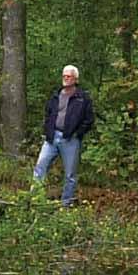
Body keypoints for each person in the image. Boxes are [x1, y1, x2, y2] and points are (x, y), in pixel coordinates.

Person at [34, 64, 95, 206]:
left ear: (75, 79)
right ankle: (34, 200)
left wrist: (77, 134)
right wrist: (47, 130)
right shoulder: (56, 95)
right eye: (64, 76)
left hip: (70, 140)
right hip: (51, 138)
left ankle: (65, 205)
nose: (65, 78)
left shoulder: (82, 98)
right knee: (40, 167)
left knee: (70, 175)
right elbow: (48, 114)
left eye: (69, 76)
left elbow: (89, 120)